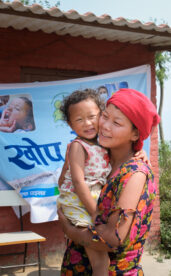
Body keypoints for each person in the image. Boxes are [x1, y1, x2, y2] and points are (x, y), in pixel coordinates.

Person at [58, 88, 160, 276]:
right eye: (104, 116)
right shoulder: (98, 157)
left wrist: (69, 230)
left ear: (135, 134)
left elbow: (113, 239)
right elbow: (66, 181)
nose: (104, 126)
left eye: (117, 123)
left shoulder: (135, 174)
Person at [57, 88, 112, 276]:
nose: (87, 123)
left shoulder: (103, 143)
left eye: (92, 117)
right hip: (79, 202)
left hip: (91, 198)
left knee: (100, 259)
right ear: (70, 124)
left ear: (101, 115)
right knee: (100, 258)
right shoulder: (77, 147)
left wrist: (141, 153)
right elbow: (79, 183)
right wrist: (96, 213)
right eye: (79, 120)